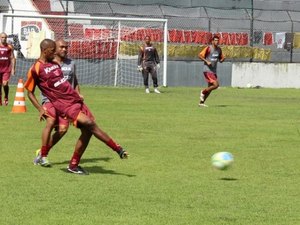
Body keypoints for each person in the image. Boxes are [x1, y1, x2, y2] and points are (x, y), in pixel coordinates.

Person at [24, 39, 129, 175]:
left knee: (88, 131)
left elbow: (64, 84)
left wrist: (77, 94)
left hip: (75, 100)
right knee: (87, 123)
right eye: (53, 50)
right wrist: (40, 108)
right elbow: (29, 92)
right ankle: (118, 149)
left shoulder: (55, 64)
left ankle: (73, 165)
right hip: (64, 105)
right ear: (45, 51)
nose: (55, 52)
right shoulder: (35, 69)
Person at [33, 39, 83, 167]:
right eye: (61, 47)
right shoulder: (47, 64)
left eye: (66, 47)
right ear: (53, 49)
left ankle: (42, 153)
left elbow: (74, 81)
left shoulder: (71, 63)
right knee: (50, 120)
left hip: (66, 101)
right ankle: (44, 156)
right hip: (49, 99)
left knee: (63, 129)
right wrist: (40, 108)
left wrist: (78, 94)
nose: (64, 49)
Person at [198, 35, 225, 107]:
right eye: (215, 40)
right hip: (207, 70)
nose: (217, 42)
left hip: (213, 71)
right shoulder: (208, 48)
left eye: (217, 40)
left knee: (210, 89)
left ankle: (201, 103)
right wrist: (206, 61)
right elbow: (200, 55)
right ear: (212, 41)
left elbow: (220, 59)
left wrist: (222, 59)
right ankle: (203, 92)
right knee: (216, 85)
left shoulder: (219, 50)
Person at [0, 32, 16, 106]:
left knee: (5, 83)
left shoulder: (9, 46)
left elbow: (12, 58)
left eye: (5, 37)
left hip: (6, 69)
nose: (4, 39)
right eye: (2, 37)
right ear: (0, 38)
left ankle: (6, 97)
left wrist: (13, 68)